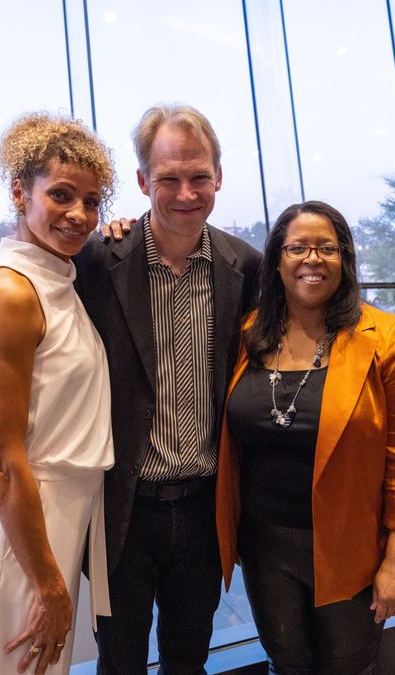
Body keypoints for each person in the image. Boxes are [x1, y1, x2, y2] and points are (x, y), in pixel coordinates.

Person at [74, 104, 261, 673]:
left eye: (199, 176)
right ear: (141, 182)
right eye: (168, 179)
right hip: (123, 513)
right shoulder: (98, 261)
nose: (186, 192)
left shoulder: (246, 267)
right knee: (120, 663)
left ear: (219, 177)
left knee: (188, 661)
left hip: (206, 508)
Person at [214, 200, 395, 673]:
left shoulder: (386, 338)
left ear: (345, 260)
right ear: (276, 260)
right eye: (297, 248)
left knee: (348, 666)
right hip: (265, 545)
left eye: (327, 249)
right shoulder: (246, 335)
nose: (312, 259)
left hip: (352, 543)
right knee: (286, 662)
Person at [0, 113, 117, 675]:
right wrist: (48, 585)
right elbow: (0, 459)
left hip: (54, 528)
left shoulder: (57, 279)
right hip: (21, 537)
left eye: (92, 202)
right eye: (62, 195)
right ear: (21, 193)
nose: (79, 215)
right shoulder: (10, 291)